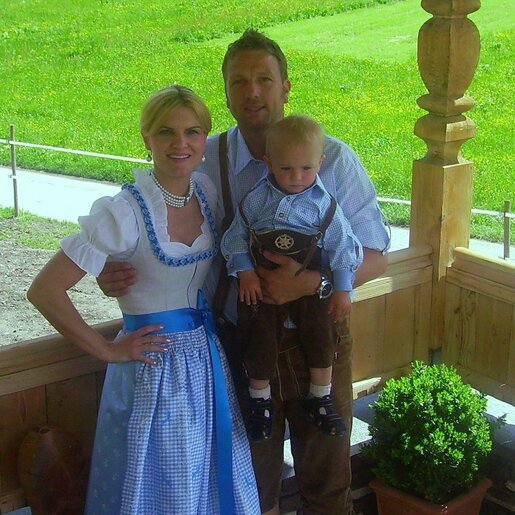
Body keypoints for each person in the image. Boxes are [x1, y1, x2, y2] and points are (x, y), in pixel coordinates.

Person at [98, 29, 390, 515]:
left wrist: (313, 283)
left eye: (264, 80)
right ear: (227, 91)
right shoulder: (201, 157)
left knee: (327, 483)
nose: (252, 92)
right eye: (239, 81)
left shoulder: (334, 158)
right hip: (239, 342)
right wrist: (114, 266)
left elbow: (377, 254)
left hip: (321, 342)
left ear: (286, 87)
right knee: (252, 486)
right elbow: (150, 223)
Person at [27, 84, 260, 515]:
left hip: (205, 363)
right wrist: (107, 350)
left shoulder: (205, 193)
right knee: (163, 484)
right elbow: (45, 290)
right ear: (146, 138)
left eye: (192, 132)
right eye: (165, 131)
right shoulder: (122, 212)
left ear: (204, 138)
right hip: (152, 368)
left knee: (205, 478)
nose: (180, 143)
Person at [221, 114, 363, 442]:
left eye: (306, 168)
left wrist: (342, 289)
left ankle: (320, 395)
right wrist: (245, 272)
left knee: (321, 331)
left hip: (312, 288)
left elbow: (343, 248)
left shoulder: (325, 206)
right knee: (259, 332)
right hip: (264, 285)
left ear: (320, 163)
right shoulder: (256, 200)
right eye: (286, 169)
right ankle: (259, 399)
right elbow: (236, 237)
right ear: (268, 163)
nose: (296, 177)